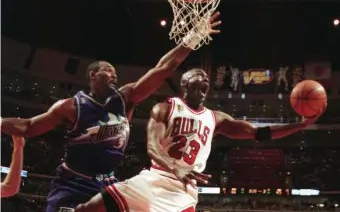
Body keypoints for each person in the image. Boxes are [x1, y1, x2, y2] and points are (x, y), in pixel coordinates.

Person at [0, 13, 221, 211]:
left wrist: (193, 38)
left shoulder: (126, 98)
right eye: (107, 70)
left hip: (107, 183)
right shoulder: (71, 106)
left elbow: (163, 69)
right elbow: (28, 127)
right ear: (92, 76)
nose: (114, 75)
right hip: (73, 183)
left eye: (115, 72)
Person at [74, 68, 324, 212]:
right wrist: (174, 168)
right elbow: (151, 146)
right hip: (153, 179)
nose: (204, 82)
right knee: (88, 209)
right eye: (198, 77)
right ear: (184, 82)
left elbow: (261, 133)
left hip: (184, 192)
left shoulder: (216, 118)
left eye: (206, 83)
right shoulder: (164, 108)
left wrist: (300, 125)